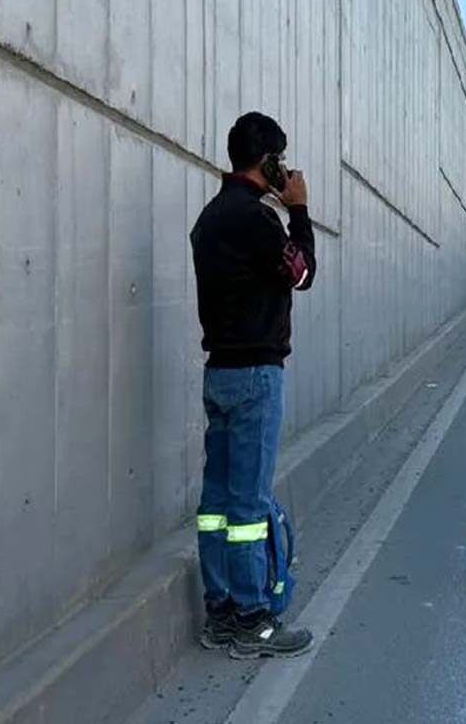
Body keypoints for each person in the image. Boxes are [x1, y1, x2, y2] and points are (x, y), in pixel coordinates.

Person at [189, 112, 317, 659]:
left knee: (216, 501)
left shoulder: (209, 218)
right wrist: (299, 211)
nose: (284, 168)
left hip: (218, 371)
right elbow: (303, 273)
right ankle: (253, 621)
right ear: (267, 162)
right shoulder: (257, 219)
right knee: (248, 505)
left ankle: (219, 612)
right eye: (279, 159)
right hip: (256, 375)